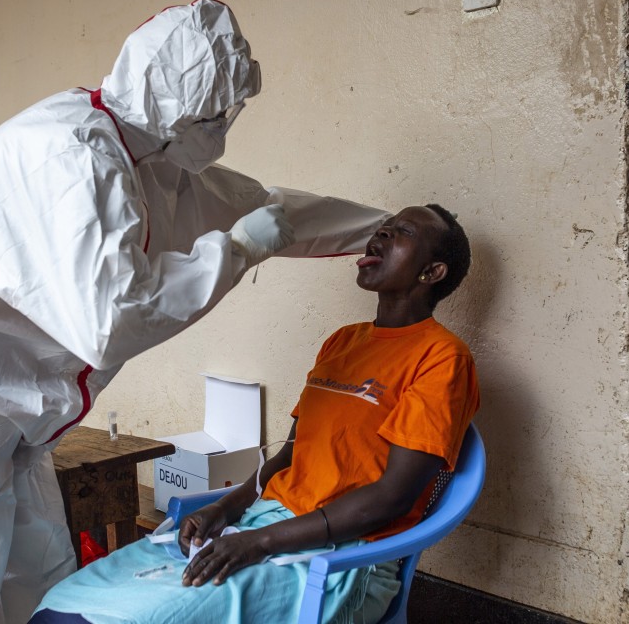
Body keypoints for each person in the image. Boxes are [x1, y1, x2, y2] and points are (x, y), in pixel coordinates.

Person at [0, 0, 390, 624]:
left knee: (32, 563)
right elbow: (111, 319)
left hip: (0, 390)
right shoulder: (73, 156)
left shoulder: (157, 162)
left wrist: (384, 228)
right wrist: (237, 251)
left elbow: (273, 210)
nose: (226, 127)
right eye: (218, 113)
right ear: (178, 107)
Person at [30, 204, 480, 624]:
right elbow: (288, 455)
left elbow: (392, 499)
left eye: (401, 232)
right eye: (384, 226)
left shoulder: (442, 358)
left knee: (150, 615)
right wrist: (225, 508)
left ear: (431, 271)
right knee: (72, 600)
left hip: (344, 556)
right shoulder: (343, 342)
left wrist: (259, 542)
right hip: (264, 521)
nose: (381, 233)